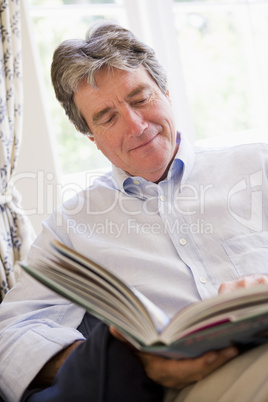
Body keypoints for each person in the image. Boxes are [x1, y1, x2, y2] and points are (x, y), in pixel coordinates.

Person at [0, 20, 268, 402]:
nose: (136, 125)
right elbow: (11, 335)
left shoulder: (258, 165)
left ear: (166, 93)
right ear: (92, 139)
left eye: (140, 98)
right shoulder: (73, 227)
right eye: (107, 117)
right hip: (190, 386)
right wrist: (126, 359)